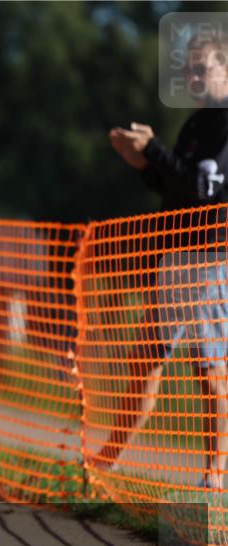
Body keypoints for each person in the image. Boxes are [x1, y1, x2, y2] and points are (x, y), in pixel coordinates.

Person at [94, 32, 228, 489]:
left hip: (211, 257)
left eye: (201, 68)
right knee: (146, 358)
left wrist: (153, 149)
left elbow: (205, 190)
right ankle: (107, 459)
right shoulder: (196, 125)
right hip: (175, 257)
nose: (192, 76)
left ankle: (215, 472)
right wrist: (144, 165)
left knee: (209, 366)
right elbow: (177, 187)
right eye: (188, 69)